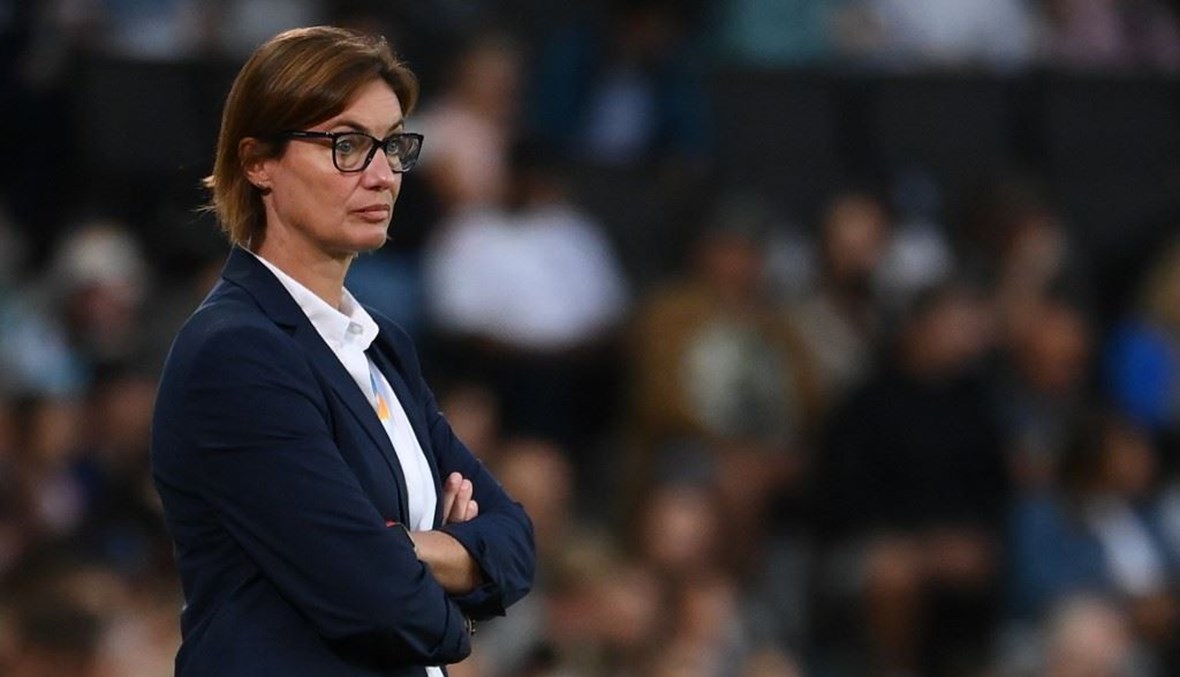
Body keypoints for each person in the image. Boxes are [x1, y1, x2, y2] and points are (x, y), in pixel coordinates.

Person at [149, 26, 535, 676]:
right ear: (258, 162)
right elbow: (380, 600)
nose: (383, 175)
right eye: (347, 145)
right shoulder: (237, 353)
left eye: (393, 145)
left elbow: (516, 542)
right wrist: (456, 585)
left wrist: (405, 548)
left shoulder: (382, 344)